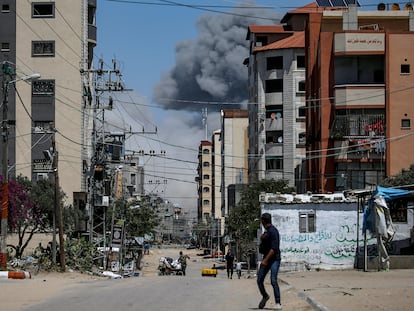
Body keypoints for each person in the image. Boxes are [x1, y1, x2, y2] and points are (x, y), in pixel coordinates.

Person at [257, 213, 282, 310]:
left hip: (274, 259)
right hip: (266, 259)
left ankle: (278, 302)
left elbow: (274, 249)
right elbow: (263, 248)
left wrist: (265, 260)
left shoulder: (273, 232)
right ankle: (265, 296)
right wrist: (262, 239)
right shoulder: (266, 232)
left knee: (273, 280)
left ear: (263, 221)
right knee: (259, 280)